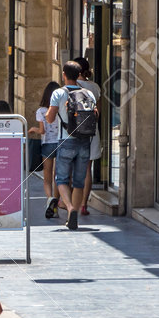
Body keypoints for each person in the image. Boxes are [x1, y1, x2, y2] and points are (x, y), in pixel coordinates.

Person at [45, 61, 97, 231]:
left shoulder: (58, 93)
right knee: (79, 181)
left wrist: (49, 114)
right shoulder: (89, 93)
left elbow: (50, 118)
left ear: (64, 75)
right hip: (84, 141)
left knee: (61, 179)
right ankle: (72, 218)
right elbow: (96, 114)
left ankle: (70, 208)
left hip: (65, 140)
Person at [73, 57, 104, 216]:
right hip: (91, 131)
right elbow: (98, 112)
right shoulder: (95, 87)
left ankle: (71, 203)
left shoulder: (71, 87)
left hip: (73, 132)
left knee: (71, 167)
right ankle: (84, 204)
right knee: (87, 169)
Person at [28, 81, 63, 219]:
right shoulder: (61, 109)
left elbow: (42, 130)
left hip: (47, 145)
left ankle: (50, 200)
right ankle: (56, 200)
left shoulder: (41, 111)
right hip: (61, 143)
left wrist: (33, 129)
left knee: (47, 178)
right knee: (58, 176)